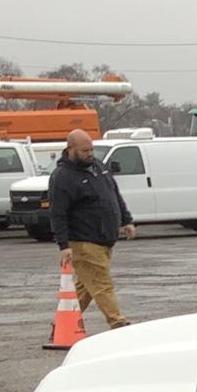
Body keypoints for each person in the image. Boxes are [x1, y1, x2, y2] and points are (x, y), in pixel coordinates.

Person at [48, 129, 137, 328]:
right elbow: (58, 213)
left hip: (105, 238)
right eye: (84, 150)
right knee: (101, 283)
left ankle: (62, 324)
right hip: (83, 242)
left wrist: (126, 220)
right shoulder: (63, 177)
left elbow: (114, 194)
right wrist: (63, 245)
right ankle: (118, 322)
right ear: (70, 149)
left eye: (91, 149)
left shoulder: (98, 166)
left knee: (87, 286)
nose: (89, 153)